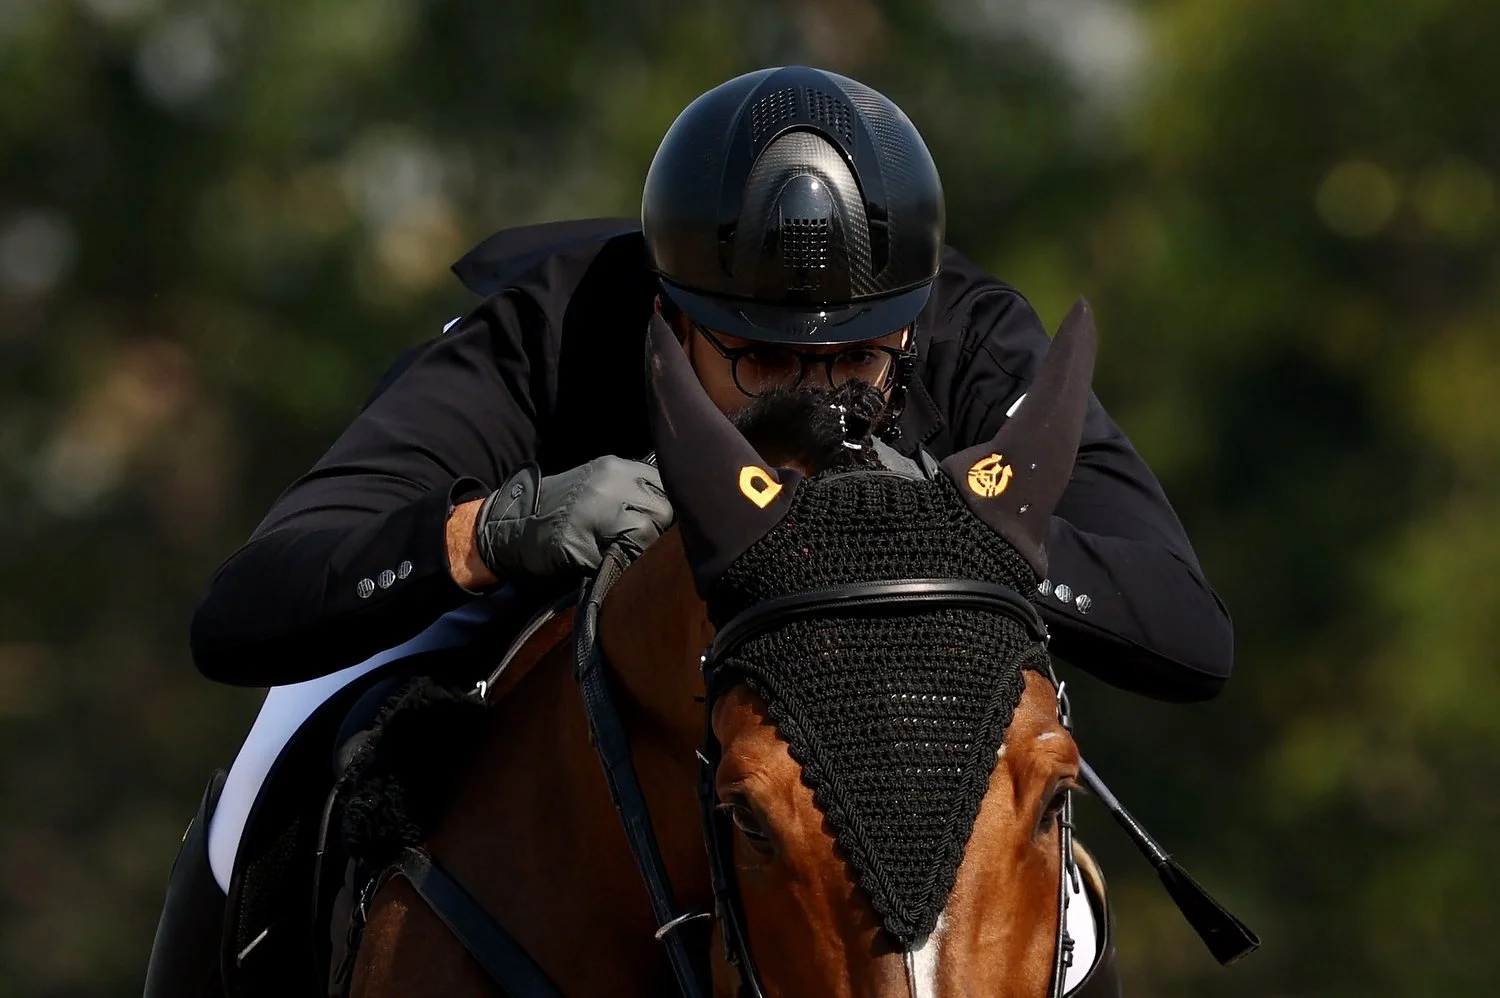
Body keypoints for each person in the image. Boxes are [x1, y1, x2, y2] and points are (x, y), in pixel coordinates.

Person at [144, 65, 1232, 996]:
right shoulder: (554, 330)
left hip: (877, 656)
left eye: (856, 360)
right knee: (273, 771)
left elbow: (1186, 631)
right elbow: (241, 610)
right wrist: (493, 529)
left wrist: (953, 528)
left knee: (1045, 862)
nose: (819, 394)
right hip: (536, 608)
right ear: (672, 316)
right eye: (762, 359)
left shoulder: (967, 330)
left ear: (907, 321)